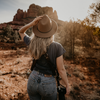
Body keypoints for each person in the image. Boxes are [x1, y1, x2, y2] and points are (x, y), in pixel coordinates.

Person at [19, 15, 70, 100]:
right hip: (48, 82)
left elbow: (21, 32)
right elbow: (61, 70)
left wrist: (32, 23)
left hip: (32, 79)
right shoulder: (57, 46)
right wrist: (67, 84)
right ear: (51, 32)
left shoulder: (32, 43)